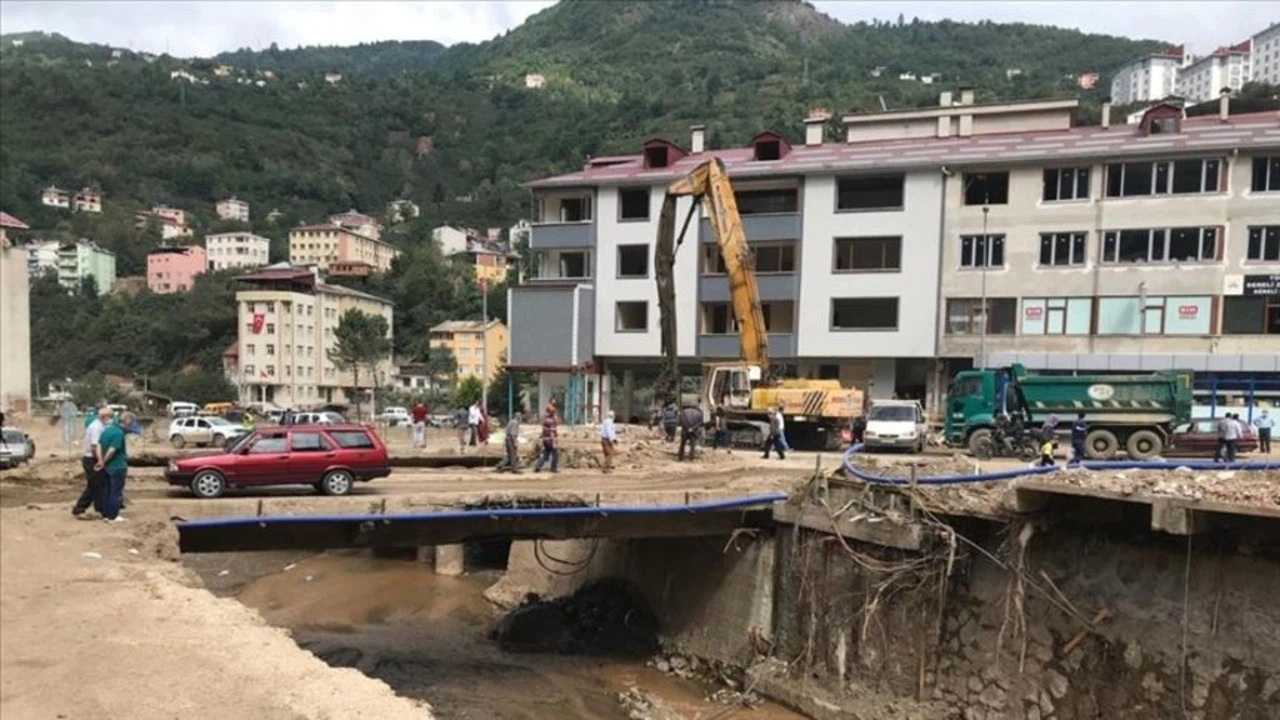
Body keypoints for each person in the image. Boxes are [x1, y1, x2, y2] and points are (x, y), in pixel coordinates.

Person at [72, 405, 112, 518]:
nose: (111, 419)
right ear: (105, 417)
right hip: (91, 459)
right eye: (110, 416)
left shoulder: (100, 426)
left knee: (97, 485)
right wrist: (100, 460)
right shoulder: (96, 427)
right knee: (95, 485)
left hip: (93, 458)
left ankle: (98, 508)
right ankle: (80, 508)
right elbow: (94, 446)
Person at [96, 411, 132, 523]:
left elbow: (99, 445)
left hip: (107, 467)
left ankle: (106, 515)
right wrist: (104, 461)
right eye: (130, 424)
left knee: (107, 491)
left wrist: (100, 460)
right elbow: (112, 450)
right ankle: (113, 516)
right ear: (127, 421)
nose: (130, 426)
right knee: (116, 492)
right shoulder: (119, 433)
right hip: (118, 466)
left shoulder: (107, 430)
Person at [533, 404, 559, 473]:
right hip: (550, 440)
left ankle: (538, 466)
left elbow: (544, 430)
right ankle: (553, 468)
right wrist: (554, 443)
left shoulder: (545, 419)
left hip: (545, 440)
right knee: (555, 453)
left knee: (545, 454)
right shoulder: (552, 421)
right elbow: (552, 432)